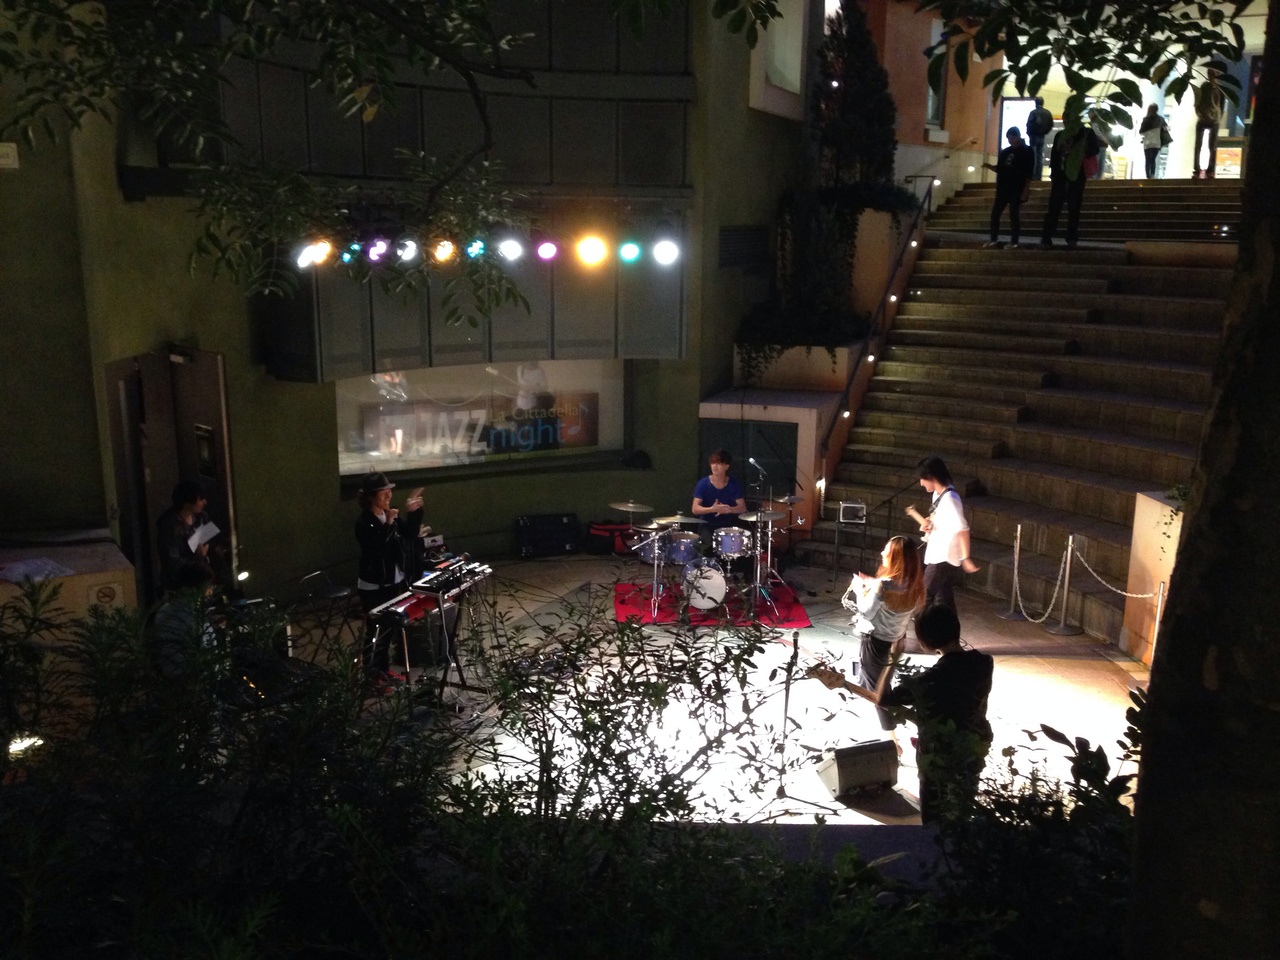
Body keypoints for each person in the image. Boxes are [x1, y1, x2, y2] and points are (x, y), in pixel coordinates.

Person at [811, 606, 993, 822]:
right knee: (962, 805)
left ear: (925, 642)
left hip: (939, 755)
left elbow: (884, 699)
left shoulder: (931, 679)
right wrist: (846, 685)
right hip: (973, 745)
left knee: (934, 816)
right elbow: (947, 709)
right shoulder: (984, 663)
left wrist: (893, 659)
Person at [840, 536, 926, 740]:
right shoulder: (914, 584)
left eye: (886, 550)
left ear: (895, 557)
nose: (882, 553)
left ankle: (893, 740)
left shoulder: (884, 585)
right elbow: (895, 590)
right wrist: (872, 583)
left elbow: (867, 612)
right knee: (873, 682)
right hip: (895, 641)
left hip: (875, 642)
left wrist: (860, 590)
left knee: (879, 693)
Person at [354, 471, 425, 676]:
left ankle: (383, 670)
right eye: (382, 492)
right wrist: (388, 524)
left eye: (389, 491)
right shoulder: (364, 522)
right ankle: (372, 675)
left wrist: (413, 512)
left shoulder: (390, 514)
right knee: (376, 631)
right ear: (370, 497)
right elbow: (376, 550)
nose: (388, 495)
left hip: (394, 581)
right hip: (374, 586)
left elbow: (409, 534)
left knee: (389, 628)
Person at [910, 456, 979, 611]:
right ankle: (947, 625)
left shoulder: (950, 499)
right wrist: (930, 524)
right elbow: (944, 520)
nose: (921, 483)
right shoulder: (938, 495)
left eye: (922, 479)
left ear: (932, 477)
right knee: (944, 599)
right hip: (938, 553)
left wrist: (966, 558)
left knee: (924, 597)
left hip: (944, 557)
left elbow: (963, 529)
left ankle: (923, 625)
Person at [1040, 122, 1101, 249]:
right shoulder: (1062, 135)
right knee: (1056, 206)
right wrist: (1054, 172)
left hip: (1077, 173)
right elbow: (1055, 154)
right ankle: (1048, 236)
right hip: (1062, 175)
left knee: (1073, 207)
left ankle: (1070, 237)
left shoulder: (1086, 133)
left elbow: (1095, 149)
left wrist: (1081, 153)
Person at [156, 479, 217, 595]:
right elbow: (173, 563)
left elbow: (207, 539)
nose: (205, 502)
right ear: (187, 503)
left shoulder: (201, 517)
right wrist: (198, 557)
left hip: (203, 575)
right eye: (200, 499)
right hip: (182, 583)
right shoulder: (170, 527)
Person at [981, 127, 1034, 248]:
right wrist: (990, 167)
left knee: (1014, 215)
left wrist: (1026, 189)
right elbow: (1000, 168)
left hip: (1017, 187)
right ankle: (993, 238)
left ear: (1017, 136)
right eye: (1009, 139)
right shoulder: (1005, 152)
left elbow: (1029, 172)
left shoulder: (1027, 151)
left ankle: (1014, 241)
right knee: (995, 214)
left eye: (1012, 138)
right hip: (1003, 188)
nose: (1011, 141)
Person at [690, 449, 746, 531]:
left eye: (718, 464)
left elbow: (742, 508)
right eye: (713, 463)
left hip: (728, 526)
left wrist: (728, 509)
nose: (714, 466)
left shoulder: (734, 484)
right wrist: (712, 509)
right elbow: (695, 509)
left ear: (726, 466)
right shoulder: (703, 483)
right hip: (707, 525)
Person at [1193, 70, 1224, 179]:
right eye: (1210, 75)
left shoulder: (1220, 89)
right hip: (1203, 118)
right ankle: (1197, 169)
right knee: (1198, 145)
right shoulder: (1204, 87)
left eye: (1213, 75)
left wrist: (1218, 116)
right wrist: (1200, 112)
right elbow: (1198, 100)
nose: (1211, 77)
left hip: (1214, 119)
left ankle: (1210, 170)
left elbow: (1221, 105)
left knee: (1212, 146)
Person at [1025, 97, 1054, 179]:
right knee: (1040, 156)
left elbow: (1029, 124)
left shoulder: (1033, 113)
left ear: (1035, 103)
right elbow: (1051, 125)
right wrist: (1045, 132)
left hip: (1033, 137)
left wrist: (1029, 134)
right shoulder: (1048, 113)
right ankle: (1039, 176)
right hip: (1042, 136)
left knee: (1033, 156)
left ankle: (1033, 175)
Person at [1139, 104, 1170, 179]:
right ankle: (1152, 175)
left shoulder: (1146, 119)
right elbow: (1167, 128)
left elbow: (1141, 131)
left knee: (1147, 160)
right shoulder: (1160, 119)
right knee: (1153, 159)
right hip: (1157, 142)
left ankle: (1148, 176)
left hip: (1148, 142)